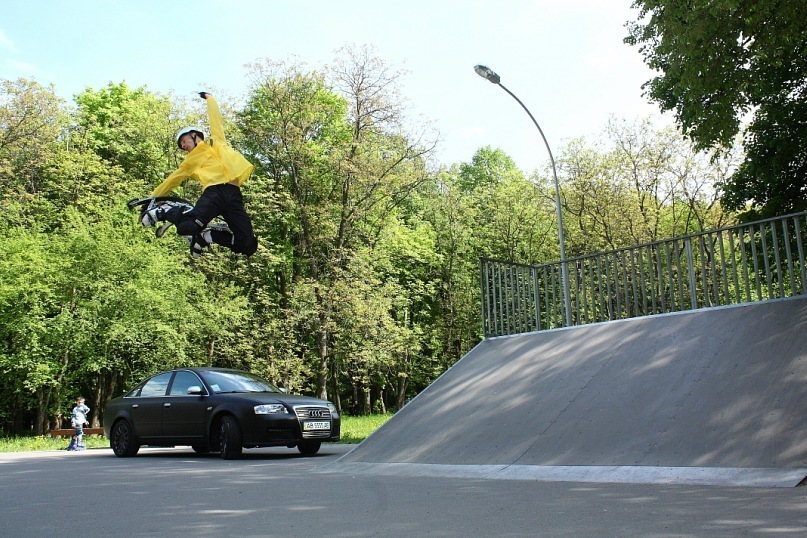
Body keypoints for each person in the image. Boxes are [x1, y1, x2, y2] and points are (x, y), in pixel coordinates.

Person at [142, 92, 258, 258]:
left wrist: (210, 100)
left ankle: (207, 237)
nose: (183, 146)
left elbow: (215, 119)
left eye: (184, 141)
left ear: (194, 135)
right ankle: (164, 211)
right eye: (181, 145)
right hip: (214, 194)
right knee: (188, 227)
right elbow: (173, 179)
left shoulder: (217, 141)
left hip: (234, 195)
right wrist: (154, 197)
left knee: (248, 245)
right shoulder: (190, 160)